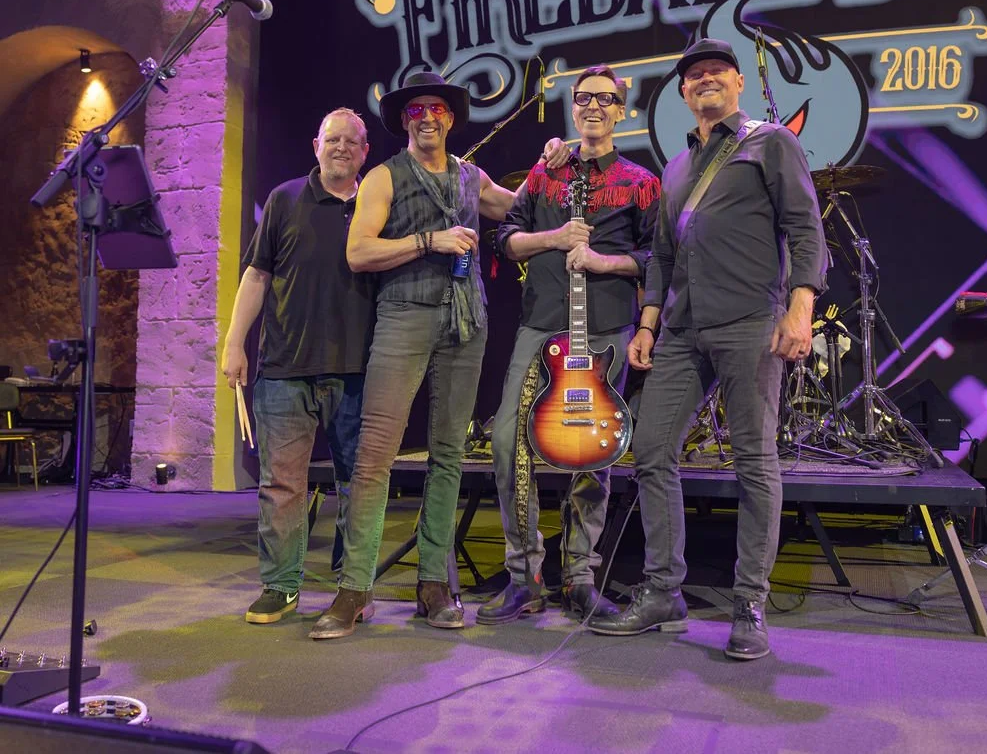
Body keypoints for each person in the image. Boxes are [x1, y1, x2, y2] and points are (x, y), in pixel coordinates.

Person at [589, 38, 828, 660]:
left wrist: (799, 308)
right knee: (649, 451)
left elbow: (806, 228)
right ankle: (665, 590)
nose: (704, 81)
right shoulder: (676, 167)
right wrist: (647, 325)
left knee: (755, 462)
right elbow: (664, 256)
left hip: (752, 321)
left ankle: (749, 601)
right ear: (684, 92)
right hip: (682, 330)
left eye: (716, 72)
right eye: (694, 76)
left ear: (738, 82)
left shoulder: (770, 142)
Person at [309, 71, 568, 639]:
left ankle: (433, 584)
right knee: (376, 456)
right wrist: (430, 241)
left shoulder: (471, 177)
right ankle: (354, 590)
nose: (427, 117)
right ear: (406, 120)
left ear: (450, 118)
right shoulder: (382, 177)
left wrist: (549, 164)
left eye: (437, 109)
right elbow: (359, 251)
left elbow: (519, 205)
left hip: (466, 322)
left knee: (449, 454)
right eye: (417, 110)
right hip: (404, 316)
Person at [479, 65, 660, 625]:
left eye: (606, 100)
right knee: (509, 441)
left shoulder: (641, 181)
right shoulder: (545, 173)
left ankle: (580, 575)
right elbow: (505, 238)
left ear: (621, 111)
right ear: (573, 107)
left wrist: (606, 261)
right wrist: (553, 239)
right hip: (539, 326)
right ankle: (524, 575)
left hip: (605, 331)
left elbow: (660, 259)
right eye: (583, 98)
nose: (593, 107)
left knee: (593, 452)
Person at [221, 108, 374, 624]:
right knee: (282, 485)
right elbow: (257, 276)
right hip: (286, 368)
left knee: (360, 485)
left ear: (364, 152)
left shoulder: (377, 205)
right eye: (332, 139)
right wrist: (233, 343)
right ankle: (281, 586)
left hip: (359, 371)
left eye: (351, 142)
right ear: (316, 145)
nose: (341, 148)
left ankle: (353, 588)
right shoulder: (286, 200)